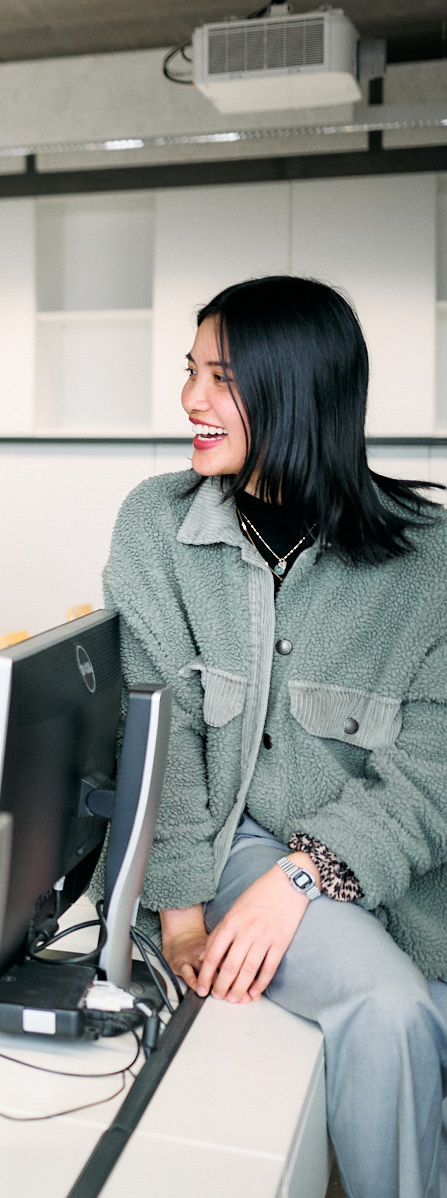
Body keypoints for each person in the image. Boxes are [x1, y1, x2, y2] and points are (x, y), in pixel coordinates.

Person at [103, 276, 447, 1198]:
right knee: (391, 1011)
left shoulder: (430, 558)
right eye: (191, 372)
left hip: (379, 871)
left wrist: (303, 879)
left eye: (220, 378)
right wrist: (182, 917)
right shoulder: (156, 525)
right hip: (227, 842)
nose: (189, 401)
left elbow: (433, 774)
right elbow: (158, 733)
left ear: (298, 391)